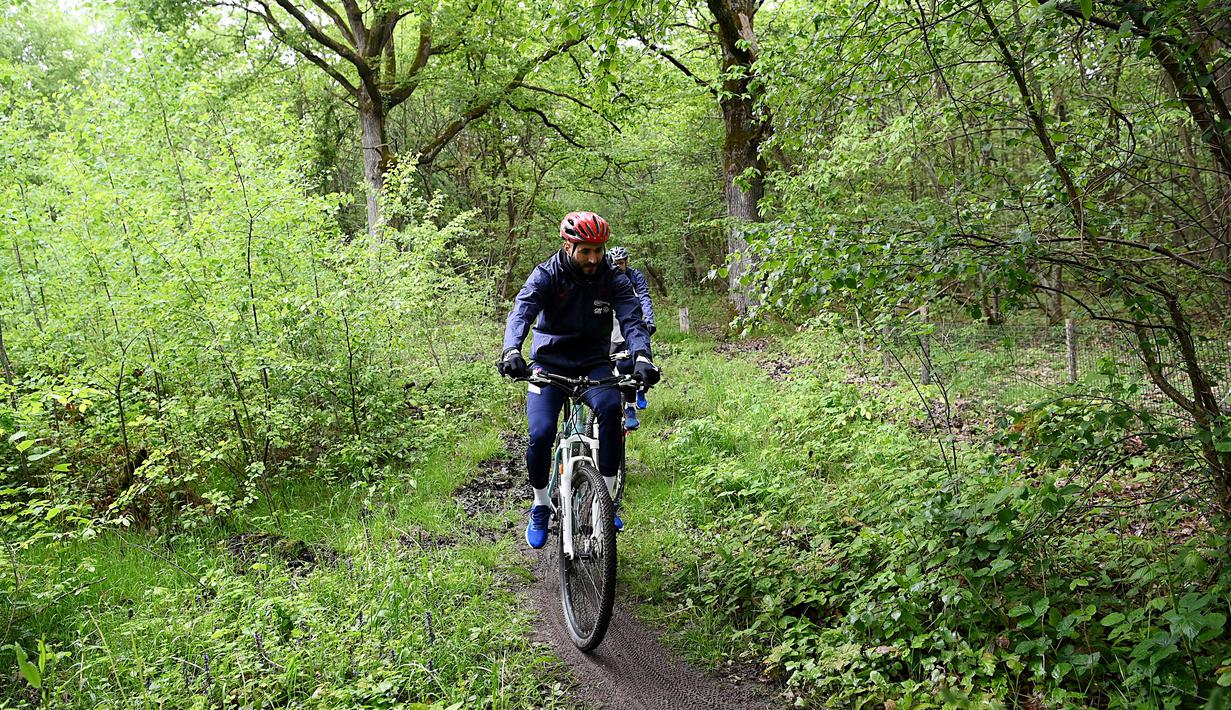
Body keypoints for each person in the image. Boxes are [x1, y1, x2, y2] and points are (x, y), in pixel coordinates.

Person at [497, 211, 662, 549]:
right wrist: (511, 350)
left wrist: (642, 356)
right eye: (585, 251)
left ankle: (605, 503)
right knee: (541, 432)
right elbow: (522, 311)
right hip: (549, 362)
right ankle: (541, 503)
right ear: (568, 245)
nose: (593, 258)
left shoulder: (612, 278)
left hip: (594, 362)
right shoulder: (547, 275)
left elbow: (632, 319)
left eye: (598, 251)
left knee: (612, 415)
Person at [607, 246, 656, 429]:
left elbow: (644, 297)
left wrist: (649, 320)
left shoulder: (635, 276)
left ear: (626, 262)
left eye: (621, 262)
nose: (619, 266)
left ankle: (632, 404)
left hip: (631, 323)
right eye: (615, 263)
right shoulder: (606, 277)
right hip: (611, 327)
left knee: (630, 364)